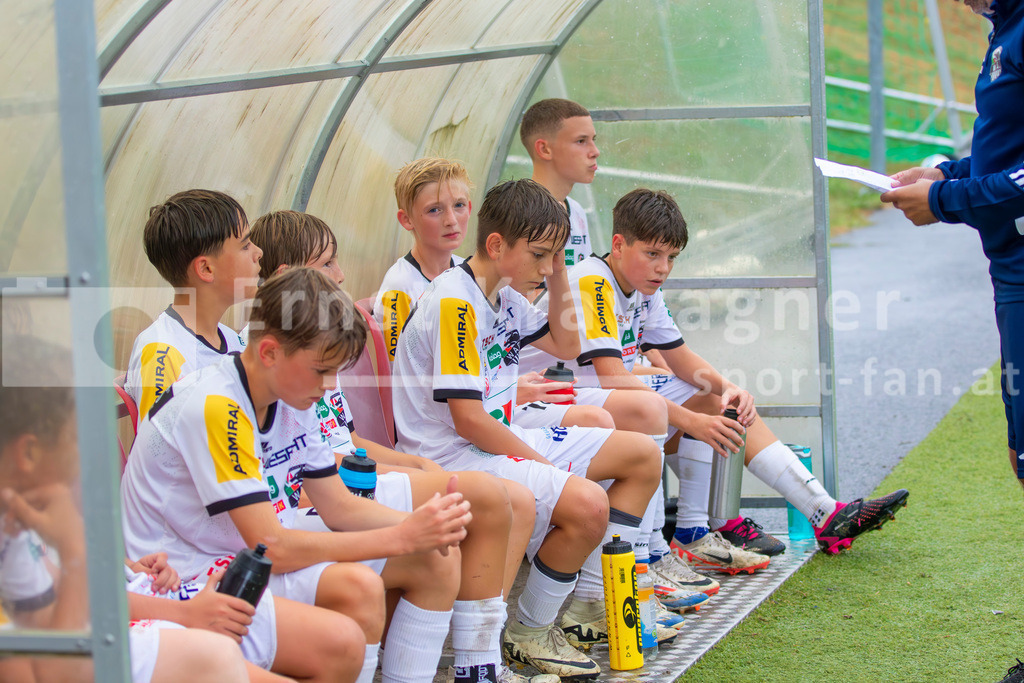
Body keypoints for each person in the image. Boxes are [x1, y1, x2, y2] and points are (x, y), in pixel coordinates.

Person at [122, 266, 473, 683]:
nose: (328, 387)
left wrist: (424, 527)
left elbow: (338, 507)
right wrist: (401, 536)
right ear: (269, 352)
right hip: (186, 576)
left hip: (239, 560)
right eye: (321, 371)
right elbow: (272, 546)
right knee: (359, 592)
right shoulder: (215, 405)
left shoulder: (289, 392)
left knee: (435, 558)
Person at [527, 188, 911, 565]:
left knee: (719, 400)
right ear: (619, 244)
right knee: (688, 409)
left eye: (672, 257)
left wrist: (729, 387)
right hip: (545, 402)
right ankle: (663, 551)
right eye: (653, 254)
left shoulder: (644, 286)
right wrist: (694, 420)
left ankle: (797, 516)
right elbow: (612, 377)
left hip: (597, 395)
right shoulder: (592, 280)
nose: (663, 268)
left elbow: (680, 359)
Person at [250, 209, 551, 683]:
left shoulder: (297, 368)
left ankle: (479, 664)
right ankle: (483, 659)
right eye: (327, 263)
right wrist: (404, 531)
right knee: (482, 506)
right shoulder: (224, 396)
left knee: (452, 535)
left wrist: (412, 493)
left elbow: (332, 462)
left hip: (307, 511)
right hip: (228, 570)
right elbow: (271, 536)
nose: (342, 274)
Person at [392, 178, 664, 679]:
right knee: (586, 503)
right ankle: (508, 643)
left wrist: (556, 269)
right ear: (496, 245)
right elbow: (469, 421)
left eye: (554, 255)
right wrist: (537, 464)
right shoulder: (456, 302)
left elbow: (565, 342)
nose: (546, 266)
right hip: (452, 455)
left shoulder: (505, 292)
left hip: (491, 436)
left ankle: (581, 610)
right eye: (539, 254)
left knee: (642, 455)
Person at [0, 334, 277, 683]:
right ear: (27, 452)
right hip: (99, 641)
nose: (85, 454)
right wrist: (184, 613)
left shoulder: (15, 517)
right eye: (75, 438)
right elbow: (58, 668)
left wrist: (125, 566)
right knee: (216, 658)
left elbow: (57, 608)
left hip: (112, 619)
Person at [881, 0, 1024, 495]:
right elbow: (1008, 146)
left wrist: (943, 199)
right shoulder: (1005, 26)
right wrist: (945, 173)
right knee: (1020, 449)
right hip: (1009, 267)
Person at [372, 156, 614, 433]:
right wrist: (509, 391)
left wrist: (510, 386)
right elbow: (405, 386)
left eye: (459, 205)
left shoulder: (477, 275)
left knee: (596, 421)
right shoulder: (400, 288)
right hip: (445, 427)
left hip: (483, 404)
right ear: (406, 219)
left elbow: (565, 345)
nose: (452, 220)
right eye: (435, 210)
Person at [125, 189, 257, 416]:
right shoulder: (162, 354)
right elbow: (162, 447)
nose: (258, 252)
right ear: (206, 269)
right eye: (245, 246)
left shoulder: (232, 341)